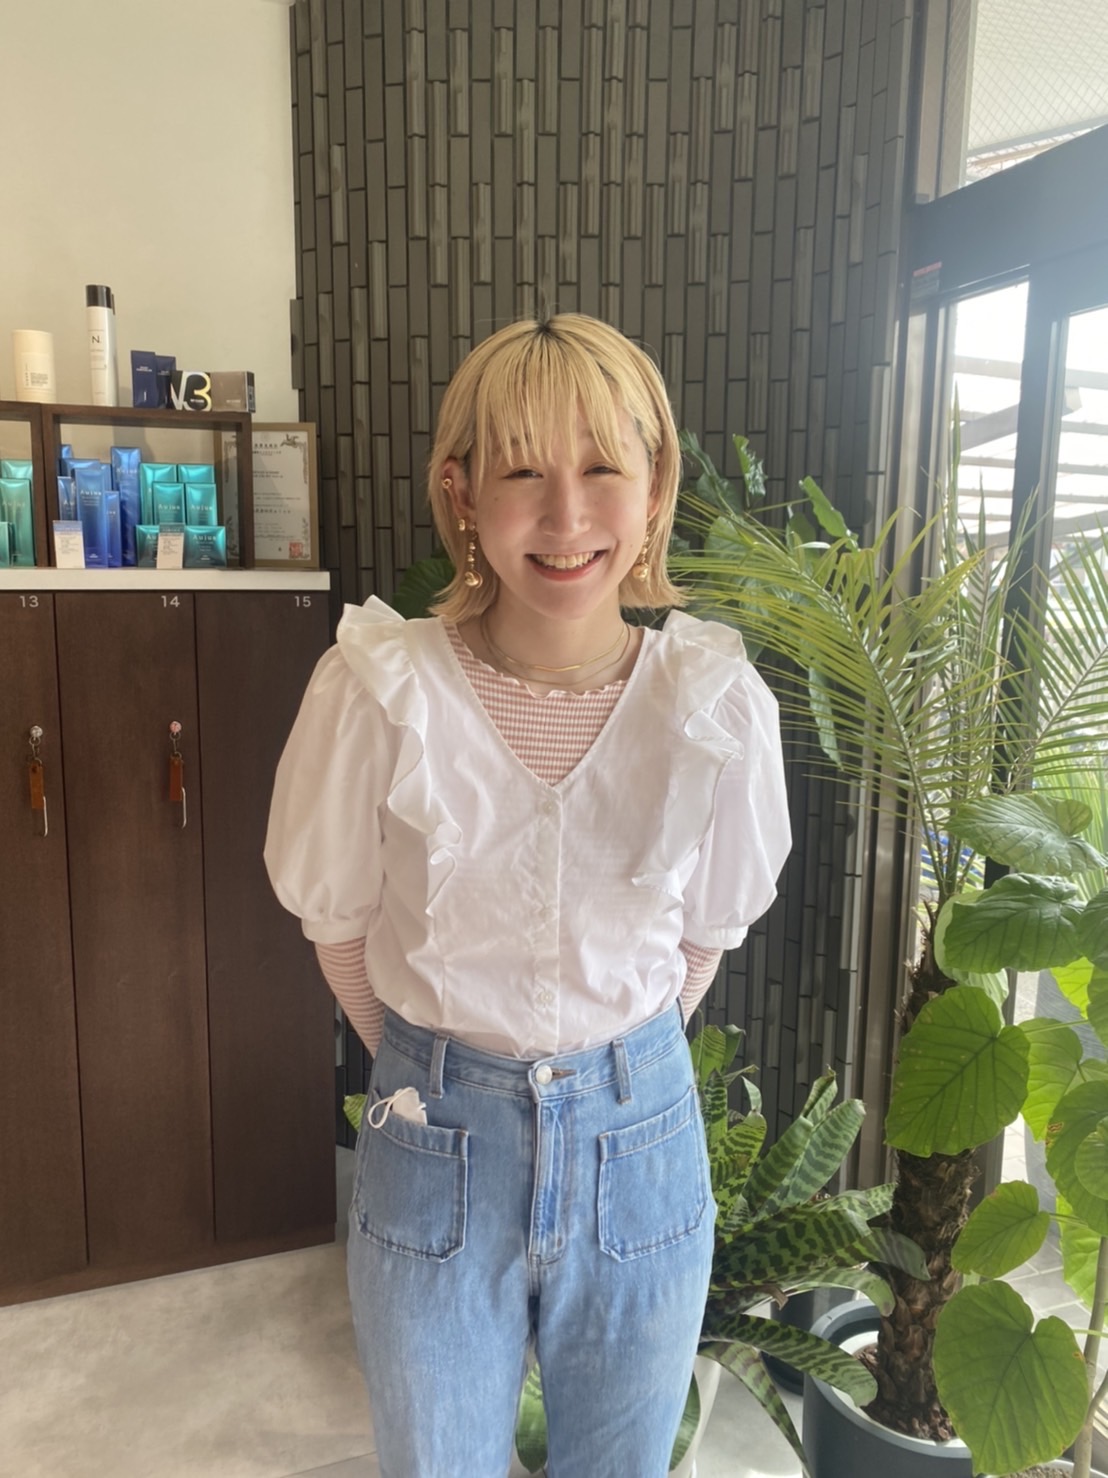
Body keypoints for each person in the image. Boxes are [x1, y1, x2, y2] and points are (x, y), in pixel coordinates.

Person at [264, 313, 791, 1477]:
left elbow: (702, 937)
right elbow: (338, 923)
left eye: (603, 467)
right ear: (460, 492)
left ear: (655, 487)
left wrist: (610, 1074)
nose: (565, 516)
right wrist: (441, 1072)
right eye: (520, 474)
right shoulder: (377, 689)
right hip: (432, 1137)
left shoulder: (711, 702)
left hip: (639, 1143)